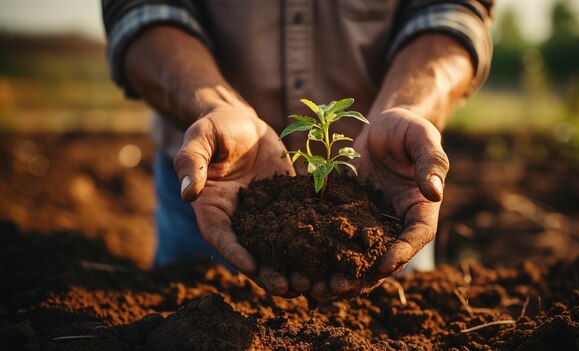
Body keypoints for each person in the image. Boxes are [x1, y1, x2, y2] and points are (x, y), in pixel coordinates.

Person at [102, 0, 494, 300]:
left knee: (396, 313)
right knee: (192, 322)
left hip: (386, 195)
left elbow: (451, 10)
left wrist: (409, 106)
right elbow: (142, 9)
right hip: (215, 191)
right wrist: (214, 106)